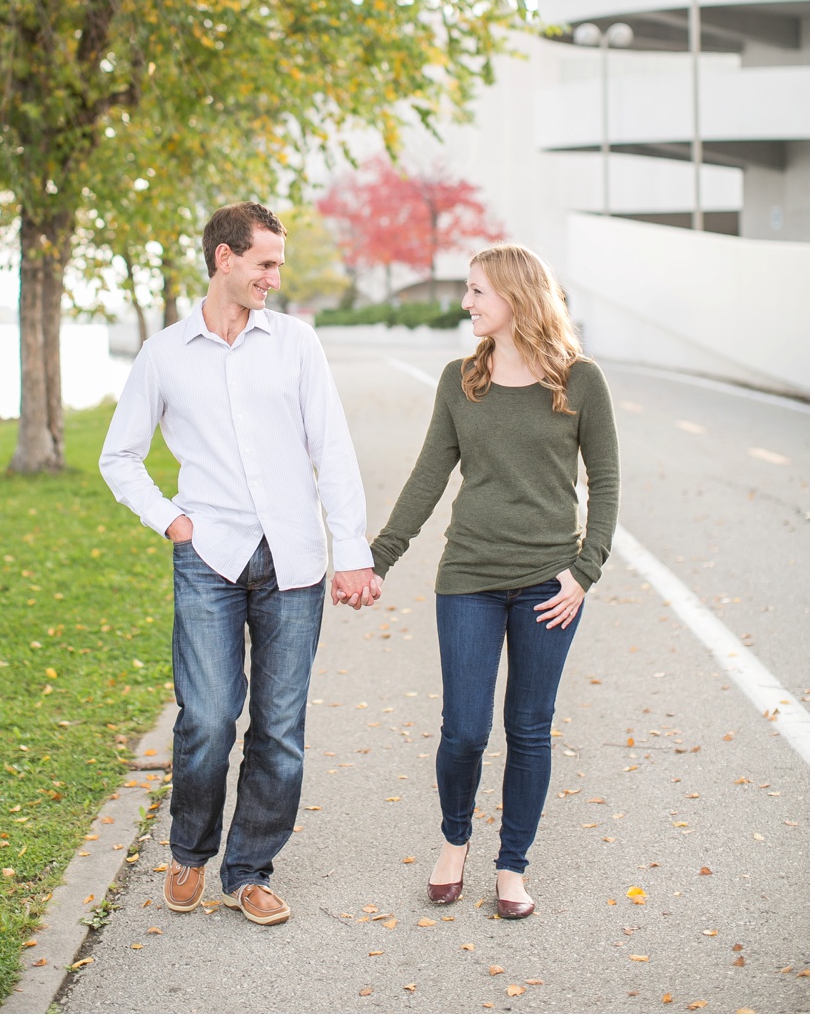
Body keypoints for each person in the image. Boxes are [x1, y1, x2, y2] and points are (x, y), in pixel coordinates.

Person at [100, 203, 377, 929]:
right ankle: (189, 851)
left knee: (280, 729)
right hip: (209, 558)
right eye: (264, 264)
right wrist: (173, 520)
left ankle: (248, 870)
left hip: (294, 562)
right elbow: (118, 456)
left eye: (278, 265)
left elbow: (334, 451)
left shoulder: (297, 345)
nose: (275, 279)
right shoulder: (163, 355)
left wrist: (351, 553)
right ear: (224, 259)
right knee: (208, 720)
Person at [363, 244, 618, 920]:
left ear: (515, 296)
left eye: (477, 291)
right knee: (465, 731)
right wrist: (378, 557)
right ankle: (455, 842)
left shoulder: (580, 381)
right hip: (469, 577)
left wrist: (584, 571)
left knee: (530, 729)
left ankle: (513, 865)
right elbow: (427, 476)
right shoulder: (460, 381)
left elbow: (608, 481)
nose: (467, 302)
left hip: (548, 584)